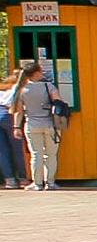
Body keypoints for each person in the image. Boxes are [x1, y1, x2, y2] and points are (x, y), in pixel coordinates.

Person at [8, 62, 60, 191]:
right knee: (51, 155)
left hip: (32, 125)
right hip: (51, 125)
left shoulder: (22, 90)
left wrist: (16, 127)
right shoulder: (49, 87)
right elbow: (59, 103)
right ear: (37, 73)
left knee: (36, 154)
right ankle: (51, 183)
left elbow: (19, 111)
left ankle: (37, 184)